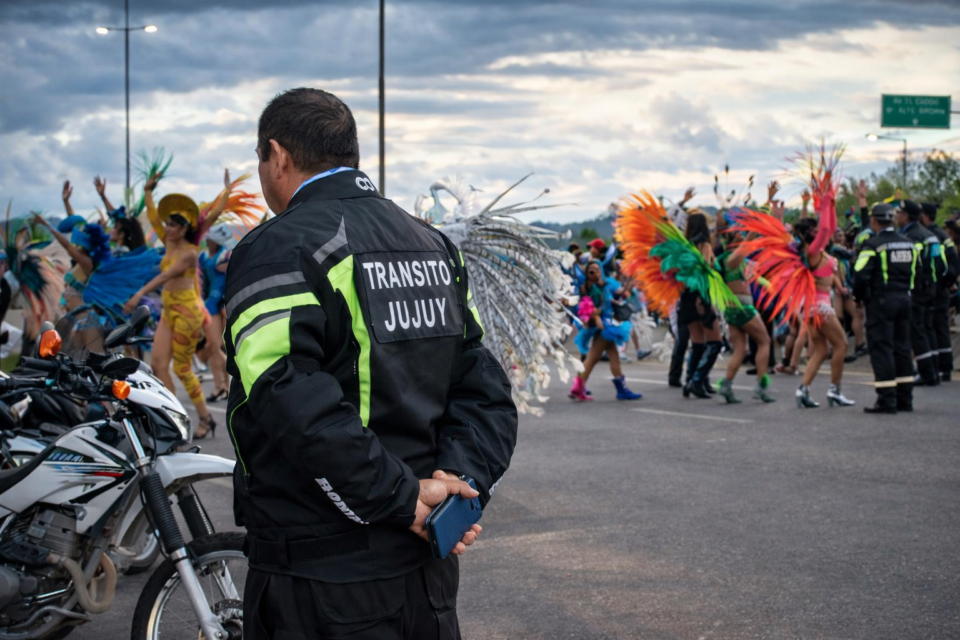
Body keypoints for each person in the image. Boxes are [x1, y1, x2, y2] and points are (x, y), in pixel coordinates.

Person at [225, 87, 517, 640]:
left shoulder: (279, 246)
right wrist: (457, 483)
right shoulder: (433, 245)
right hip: (428, 567)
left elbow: (287, 399)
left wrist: (403, 498)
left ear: (277, 155)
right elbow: (484, 386)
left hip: (321, 578)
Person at [123, 169, 232, 438]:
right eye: (167, 225)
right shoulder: (169, 242)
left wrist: (139, 294)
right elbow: (150, 214)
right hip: (169, 312)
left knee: (183, 368)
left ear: (184, 229)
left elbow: (166, 275)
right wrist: (148, 190)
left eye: (173, 225)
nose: (167, 228)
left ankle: (206, 418)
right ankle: (173, 420)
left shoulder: (190, 252)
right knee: (159, 366)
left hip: (188, 313)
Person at [853, 204, 916, 413]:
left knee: (882, 348)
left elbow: (860, 273)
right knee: (902, 348)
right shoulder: (909, 244)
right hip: (905, 299)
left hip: (881, 302)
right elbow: (918, 270)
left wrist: (858, 297)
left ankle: (887, 400)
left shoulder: (873, 245)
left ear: (874, 221)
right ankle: (905, 399)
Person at [714, 224, 775, 403]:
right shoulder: (731, 259)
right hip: (743, 308)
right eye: (738, 234)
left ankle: (726, 386)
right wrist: (759, 217)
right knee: (765, 342)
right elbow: (750, 240)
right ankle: (760, 387)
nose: (742, 236)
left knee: (741, 349)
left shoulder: (736, 260)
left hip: (732, 310)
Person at [569, 260, 642, 400]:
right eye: (591, 270)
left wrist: (630, 279)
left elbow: (621, 292)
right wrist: (595, 315)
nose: (595, 272)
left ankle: (620, 389)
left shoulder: (606, 284)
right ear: (587, 273)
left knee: (612, 355)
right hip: (603, 327)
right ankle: (578, 388)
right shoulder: (586, 288)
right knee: (592, 357)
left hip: (607, 325)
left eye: (597, 269)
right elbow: (585, 306)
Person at [896, 200, 944, 386]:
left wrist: (911, 286)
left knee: (917, 330)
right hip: (931, 288)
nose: (896, 216)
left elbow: (912, 266)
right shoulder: (930, 235)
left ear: (906, 216)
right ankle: (934, 369)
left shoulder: (911, 236)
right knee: (927, 328)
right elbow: (941, 264)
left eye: (899, 213)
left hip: (917, 289)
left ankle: (926, 373)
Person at [679, 213, 722, 399]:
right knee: (715, 342)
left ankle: (692, 381)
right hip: (700, 295)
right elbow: (704, 270)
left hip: (686, 296)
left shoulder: (685, 247)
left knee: (698, 342)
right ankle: (696, 381)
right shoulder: (704, 245)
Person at [920, 202, 959, 381]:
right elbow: (954, 262)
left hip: (934, 289)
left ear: (926, 216)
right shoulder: (943, 235)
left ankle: (936, 368)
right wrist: (947, 282)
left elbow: (947, 263)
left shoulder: (931, 235)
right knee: (941, 327)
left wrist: (940, 283)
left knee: (932, 327)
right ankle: (945, 368)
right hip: (941, 288)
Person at [198, 224, 233, 402]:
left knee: (220, 346)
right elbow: (201, 282)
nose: (207, 239)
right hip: (210, 303)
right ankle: (221, 386)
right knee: (213, 346)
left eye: (210, 237)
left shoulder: (227, 254)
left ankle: (225, 386)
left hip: (224, 303)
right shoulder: (203, 256)